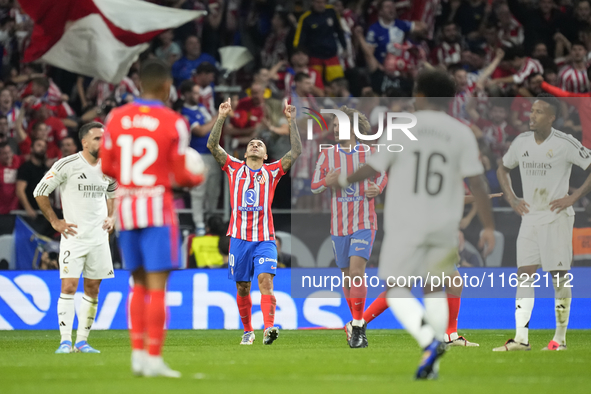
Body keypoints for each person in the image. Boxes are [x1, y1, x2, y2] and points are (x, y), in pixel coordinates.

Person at [334, 70, 495, 379]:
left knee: (397, 290)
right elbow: (477, 182)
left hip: (407, 222)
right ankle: (437, 348)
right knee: (435, 288)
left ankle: (430, 340)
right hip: (444, 225)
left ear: (419, 95)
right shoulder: (461, 132)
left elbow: (372, 167)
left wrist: (343, 178)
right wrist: (488, 226)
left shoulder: (402, 129)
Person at [101, 59, 204, 377]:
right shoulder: (173, 121)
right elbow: (180, 173)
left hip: (127, 209)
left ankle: (137, 356)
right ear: (165, 86)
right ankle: (155, 358)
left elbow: (106, 167)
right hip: (158, 209)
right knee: (158, 288)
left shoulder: (116, 117)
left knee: (139, 285)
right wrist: (195, 178)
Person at [494, 94, 591, 352]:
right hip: (530, 218)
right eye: (531, 111)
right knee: (523, 275)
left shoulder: (565, 142)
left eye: (538, 112)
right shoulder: (521, 141)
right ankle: (521, 339)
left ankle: (559, 339)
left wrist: (574, 196)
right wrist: (513, 198)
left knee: (559, 277)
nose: (531, 115)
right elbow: (502, 168)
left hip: (556, 218)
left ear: (551, 117)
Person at [207, 98, 301, 346]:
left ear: (266, 154)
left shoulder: (272, 172)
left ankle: (269, 328)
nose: (256, 145)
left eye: (260, 144)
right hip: (238, 238)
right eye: (252, 144)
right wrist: (222, 117)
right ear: (246, 152)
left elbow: (296, 152)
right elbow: (212, 145)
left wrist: (292, 122)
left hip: (265, 238)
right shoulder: (234, 167)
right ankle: (248, 330)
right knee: (243, 288)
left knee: (266, 281)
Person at [33, 122, 117, 354]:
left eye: (104, 137)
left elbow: (113, 193)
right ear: (85, 142)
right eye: (98, 138)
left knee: (93, 288)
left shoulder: (109, 166)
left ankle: (82, 341)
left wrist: (112, 217)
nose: (103, 142)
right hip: (74, 237)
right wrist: (54, 221)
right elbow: (40, 191)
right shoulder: (66, 164)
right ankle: (64, 342)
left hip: (99, 238)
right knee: (69, 287)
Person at [311, 106, 387, 348]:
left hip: (365, 221)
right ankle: (356, 324)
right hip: (338, 224)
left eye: (338, 125)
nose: (334, 129)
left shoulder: (370, 152)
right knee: (346, 276)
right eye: (333, 125)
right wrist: (326, 181)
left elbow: (383, 174)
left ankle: (357, 326)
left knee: (356, 273)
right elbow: (314, 186)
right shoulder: (327, 154)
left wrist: (379, 188)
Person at [179, 80, 219, 235]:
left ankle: (211, 221)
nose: (198, 96)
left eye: (198, 92)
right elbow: (201, 131)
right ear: (187, 94)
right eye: (195, 92)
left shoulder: (202, 109)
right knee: (198, 192)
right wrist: (218, 116)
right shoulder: (184, 112)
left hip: (212, 153)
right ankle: (199, 223)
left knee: (213, 191)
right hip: (197, 154)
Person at [293, 0, 346, 82]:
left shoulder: (332, 11)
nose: (320, 5)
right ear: (312, 2)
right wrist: (299, 56)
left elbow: (339, 30)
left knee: (338, 82)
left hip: (332, 56)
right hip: (315, 58)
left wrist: (344, 47)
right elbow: (299, 40)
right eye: (318, 2)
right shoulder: (305, 18)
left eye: (323, 2)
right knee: (315, 83)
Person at [16, 139, 48, 219]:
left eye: (44, 147)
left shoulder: (45, 169)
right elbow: (20, 190)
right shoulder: (26, 167)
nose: (42, 148)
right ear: (31, 149)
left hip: (43, 212)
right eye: (39, 145)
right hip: (28, 213)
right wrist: (28, 209)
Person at [0, 142, 23, 214]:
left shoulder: (18, 160)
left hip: (16, 210)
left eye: (9, 152)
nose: (8, 156)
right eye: (4, 153)